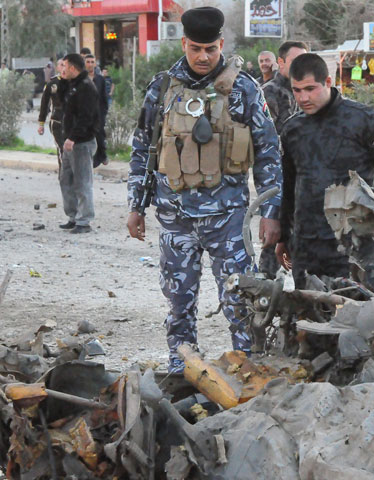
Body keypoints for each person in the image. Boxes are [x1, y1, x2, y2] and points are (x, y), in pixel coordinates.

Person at [126, 7, 282, 372]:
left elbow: (269, 152)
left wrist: (271, 212)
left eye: (210, 49)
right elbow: (142, 149)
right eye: (195, 48)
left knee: (240, 302)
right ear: (184, 43)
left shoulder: (244, 88)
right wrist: (136, 206)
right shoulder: (162, 87)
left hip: (228, 219)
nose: (203, 56)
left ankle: (248, 370)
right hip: (175, 218)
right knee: (178, 302)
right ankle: (182, 369)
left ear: (221, 44)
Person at [274, 53, 374, 286]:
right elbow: (288, 186)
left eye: (310, 89)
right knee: (304, 309)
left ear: (327, 82)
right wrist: (283, 236)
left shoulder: (363, 120)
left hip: (353, 242)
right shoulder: (292, 129)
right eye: (297, 90)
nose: (303, 97)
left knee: (354, 308)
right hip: (306, 242)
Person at [259, 41, 308, 278]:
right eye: (295, 60)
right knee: (275, 235)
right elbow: (268, 139)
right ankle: (264, 291)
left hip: (304, 175)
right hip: (279, 176)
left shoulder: (305, 89)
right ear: (281, 63)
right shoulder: (270, 92)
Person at [59, 53, 100, 234]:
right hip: (69, 143)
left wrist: (73, 137)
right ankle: (73, 216)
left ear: (73, 68)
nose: (62, 70)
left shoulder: (85, 87)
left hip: (81, 143)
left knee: (82, 183)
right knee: (65, 180)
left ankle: (84, 221)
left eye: (64, 67)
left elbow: (86, 117)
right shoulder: (71, 85)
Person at [38, 58, 67, 165]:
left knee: (71, 149)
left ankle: (70, 175)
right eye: (62, 65)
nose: (64, 68)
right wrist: (41, 123)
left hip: (71, 121)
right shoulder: (52, 84)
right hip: (57, 121)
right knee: (62, 148)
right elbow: (44, 104)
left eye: (66, 65)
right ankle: (64, 175)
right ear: (58, 67)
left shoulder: (74, 82)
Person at [84, 55, 108, 166]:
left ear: (95, 64)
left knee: (100, 135)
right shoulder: (81, 79)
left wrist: (104, 112)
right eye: (88, 62)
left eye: (92, 62)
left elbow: (104, 97)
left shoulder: (100, 79)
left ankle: (102, 156)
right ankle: (90, 158)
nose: (90, 64)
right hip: (85, 114)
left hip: (98, 114)